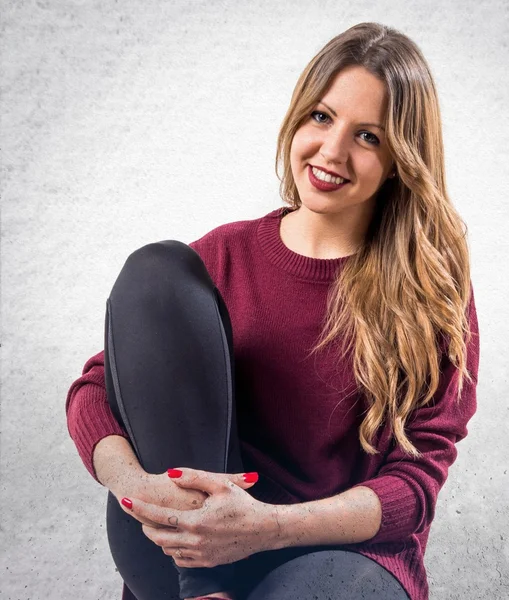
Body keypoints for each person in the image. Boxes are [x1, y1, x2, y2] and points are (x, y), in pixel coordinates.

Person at [65, 21, 480, 600]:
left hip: (338, 557)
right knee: (156, 271)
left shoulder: (429, 290)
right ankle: (204, 591)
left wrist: (265, 527)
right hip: (194, 553)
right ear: (298, 116)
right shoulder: (224, 255)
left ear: (399, 161)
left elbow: (415, 485)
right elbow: (98, 388)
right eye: (322, 117)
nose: (332, 151)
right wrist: (138, 488)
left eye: (369, 137)